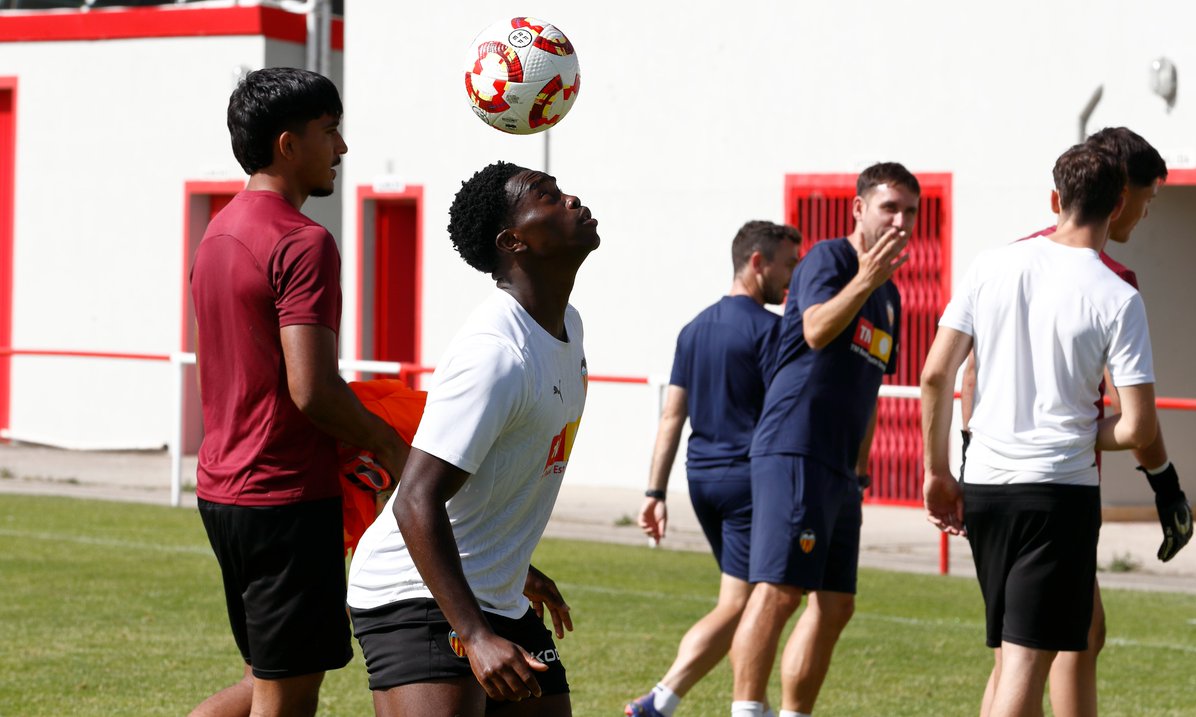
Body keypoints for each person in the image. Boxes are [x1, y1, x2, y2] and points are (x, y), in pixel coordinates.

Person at [189, 68, 408, 717]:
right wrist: (388, 442)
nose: (340, 148)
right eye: (329, 131)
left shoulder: (218, 232)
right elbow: (311, 389)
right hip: (283, 496)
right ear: (289, 144)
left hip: (222, 491)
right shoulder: (302, 241)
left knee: (270, 679)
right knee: (289, 695)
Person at [346, 161, 599, 716]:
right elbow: (416, 498)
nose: (572, 201)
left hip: (491, 592)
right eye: (548, 197)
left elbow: (497, 469)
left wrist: (511, 562)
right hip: (413, 594)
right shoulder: (495, 354)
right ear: (514, 241)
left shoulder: (568, 326)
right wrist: (475, 634)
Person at [922, 143, 1162, 717]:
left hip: (982, 488)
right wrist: (1087, 431)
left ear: (1056, 199)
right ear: (1121, 201)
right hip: (1056, 494)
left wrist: (938, 472)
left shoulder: (989, 265)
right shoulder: (1119, 296)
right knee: (1027, 664)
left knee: (1013, 658)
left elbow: (936, 374)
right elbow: (1137, 426)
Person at [728, 163, 918, 717]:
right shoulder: (831, 260)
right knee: (781, 590)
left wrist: (860, 469)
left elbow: (871, 383)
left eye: (910, 211)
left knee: (836, 606)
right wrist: (865, 279)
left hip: (839, 466)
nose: (901, 221)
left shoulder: (893, 297)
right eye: (890, 207)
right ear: (858, 208)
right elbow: (815, 330)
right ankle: (746, 710)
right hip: (794, 445)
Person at [625, 221, 801, 717]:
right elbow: (782, 415)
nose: (793, 278)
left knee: (744, 600)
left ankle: (751, 703)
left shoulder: (693, 328)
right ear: (757, 262)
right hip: (750, 483)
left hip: (702, 480)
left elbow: (671, 416)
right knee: (742, 606)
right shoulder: (772, 330)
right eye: (788, 264)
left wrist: (654, 492)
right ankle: (661, 699)